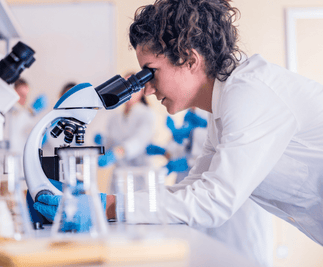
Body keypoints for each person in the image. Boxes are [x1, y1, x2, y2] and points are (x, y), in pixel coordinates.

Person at [126, 0, 323, 247]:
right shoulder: (223, 104)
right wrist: (111, 202)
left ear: (189, 58)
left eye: (151, 72)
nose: (147, 89)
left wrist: (113, 206)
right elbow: (196, 185)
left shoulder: (250, 93)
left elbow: (213, 201)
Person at [149, 108, 274, 266]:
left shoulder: (230, 103)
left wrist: (193, 138)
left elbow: (228, 150)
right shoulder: (191, 113)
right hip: (203, 199)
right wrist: (174, 148)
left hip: (236, 205)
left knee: (239, 253)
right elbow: (192, 150)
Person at [3, 78, 47, 157]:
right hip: (4, 157)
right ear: (13, 92)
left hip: (19, 160)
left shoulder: (26, 116)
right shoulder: (4, 112)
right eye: (21, 95)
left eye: (26, 96)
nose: (24, 99)